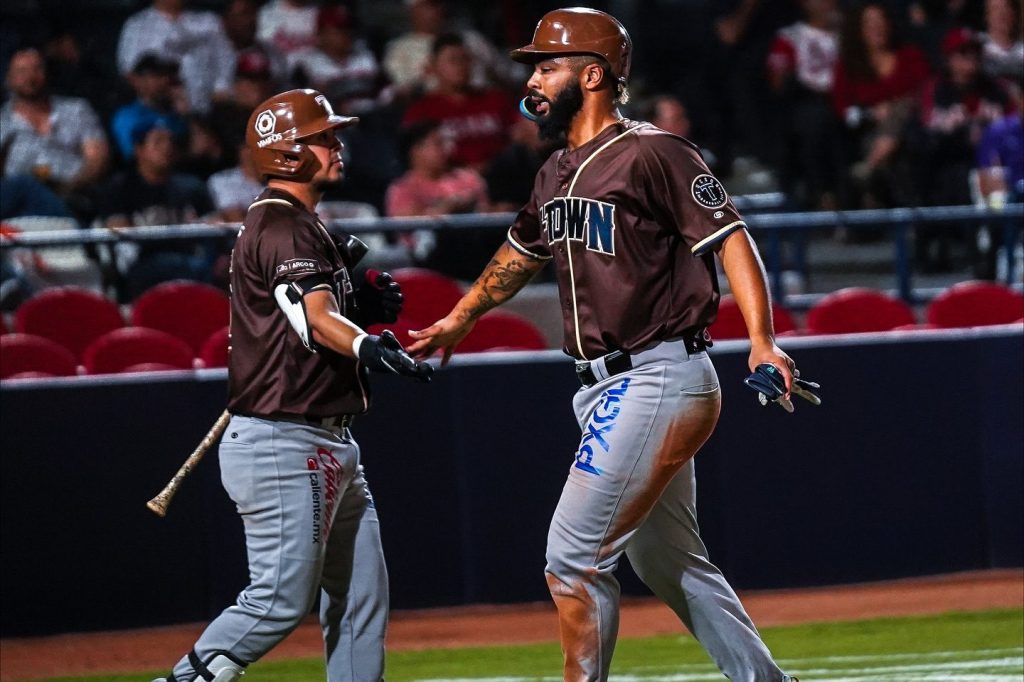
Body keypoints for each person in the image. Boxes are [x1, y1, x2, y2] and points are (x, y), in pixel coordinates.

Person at [408, 8, 803, 682]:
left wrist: (762, 340)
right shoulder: (555, 170)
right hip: (608, 385)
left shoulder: (655, 152)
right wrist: (462, 315)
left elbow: (731, 237)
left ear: (592, 75)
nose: (532, 79)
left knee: (572, 557)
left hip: (657, 374)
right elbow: (520, 252)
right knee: (669, 561)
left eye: (547, 66)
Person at [150, 88, 432, 682]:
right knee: (277, 601)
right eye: (323, 138)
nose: (337, 146)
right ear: (287, 153)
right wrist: (367, 344)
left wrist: (360, 305)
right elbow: (315, 317)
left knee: (360, 597)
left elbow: (304, 316)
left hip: (322, 439)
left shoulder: (295, 223)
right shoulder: (283, 226)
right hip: (285, 439)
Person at [95, 118, 217, 299]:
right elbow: (119, 231)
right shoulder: (119, 188)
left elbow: (215, 226)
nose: (167, 147)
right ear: (139, 149)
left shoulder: (191, 187)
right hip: (142, 262)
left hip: (189, 257)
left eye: (170, 141)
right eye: (158, 141)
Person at [832, 3, 931, 210]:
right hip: (867, 132)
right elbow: (843, 109)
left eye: (881, 21)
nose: (877, 28)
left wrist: (893, 108)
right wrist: (872, 113)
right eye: (870, 23)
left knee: (904, 107)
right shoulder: (849, 65)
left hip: (910, 129)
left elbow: (927, 93)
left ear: (889, 25)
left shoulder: (910, 57)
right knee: (884, 142)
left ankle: (870, 168)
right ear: (860, 30)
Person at [1, 48, 110, 198]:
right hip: (22, 201)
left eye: (37, 69)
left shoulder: (76, 110)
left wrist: (73, 187)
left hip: (77, 193)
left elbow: (97, 158)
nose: (30, 77)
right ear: (9, 79)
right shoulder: (2, 123)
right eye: (21, 71)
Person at [401, 33, 519, 171]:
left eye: (465, 59)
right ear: (433, 66)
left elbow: (519, 137)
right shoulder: (421, 110)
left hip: (503, 173)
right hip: (449, 179)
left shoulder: (495, 99)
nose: (461, 65)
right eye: (453, 60)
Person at [766, 0, 843, 209]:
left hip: (849, 100)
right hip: (807, 102)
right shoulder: (791, 36)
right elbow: (777, 82)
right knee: (812, 120)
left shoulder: (848, 33)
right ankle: (820, 194)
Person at [116, 0, 235, 114]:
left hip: (211, 108)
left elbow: (226, 58)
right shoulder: (137, 25)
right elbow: (129, 72)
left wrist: (221, 88)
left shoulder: (209, 21)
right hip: (159, 111)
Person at [287, 5, 387, 115]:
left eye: (348, 29)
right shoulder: (306, 63)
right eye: (338, 31)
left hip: (372, 115)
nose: (345, 35)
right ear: (321, 34)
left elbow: (384, 90)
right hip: (330, 118)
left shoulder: (366, 57)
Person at [110, 53, 189, 161]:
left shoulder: (179, 112)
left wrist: (187, 115)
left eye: (167, 74)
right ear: (138, 80)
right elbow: (133, 156)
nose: (164, 80)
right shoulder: (127, 116)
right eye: (157, 75)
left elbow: (200, 147)